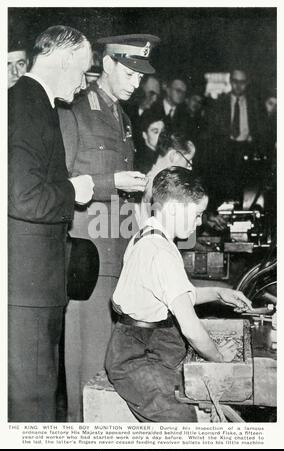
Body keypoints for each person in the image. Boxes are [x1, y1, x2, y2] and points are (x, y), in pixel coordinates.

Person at [58, 34, 160, 421]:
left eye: (141, 75)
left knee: (109, 368)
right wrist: (110, 184)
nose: (137, 82)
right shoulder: (76, 111)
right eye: (131, 72)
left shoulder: (123, 116)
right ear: (109, 63)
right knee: (86, 366)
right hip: (87, 258)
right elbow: (60, 183)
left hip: (118, 255)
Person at [105, 167, 252, 422]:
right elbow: (192, 329)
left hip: (148, 344)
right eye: (196, 215)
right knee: (182, 421)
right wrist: (219, 359)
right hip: (137, 357)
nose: (199, 222)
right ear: (172, 209)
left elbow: (179, 296)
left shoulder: (150, 235)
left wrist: (219, 293)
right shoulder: (160, 251)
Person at [8, 25, 94, 422]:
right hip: (26, 290)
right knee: (31, 407)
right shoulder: (25, 104)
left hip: (35, 286)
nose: (82, 83)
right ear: (62, 59)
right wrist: (71, 191)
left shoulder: (37, 104)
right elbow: (22, 197)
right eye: (82, 71)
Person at [206, 68, 262, 205]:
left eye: (242, 82)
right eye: (235, 81)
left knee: (245, 190)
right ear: (230, 81)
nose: (238, 85)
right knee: (224, 188)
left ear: (247, 83)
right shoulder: (220, 102)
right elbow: (213, 129)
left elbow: (260, 129)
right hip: (225, 148)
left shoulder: (254, 103)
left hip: (246, 148)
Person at [134, 109, 165, 174]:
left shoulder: (164, 153)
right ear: (145, 135)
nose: (161, 135)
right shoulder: (141, 162)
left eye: (162, 131)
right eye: (155, 132)